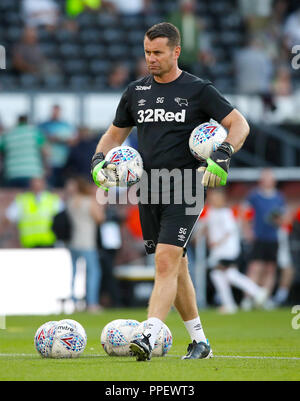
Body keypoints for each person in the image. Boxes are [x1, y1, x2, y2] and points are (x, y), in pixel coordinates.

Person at [91, 22, 249, 361]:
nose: (150, 59)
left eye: (158, 53)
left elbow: (240, 124)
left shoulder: (198, 89)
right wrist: (98, 160)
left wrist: (222, 156)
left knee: (165, 261)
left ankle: (148, 335)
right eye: (147, 52)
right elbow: (113, 135)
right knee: (176, 266)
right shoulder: (135, 92)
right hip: (148, 188)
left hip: (186, 186)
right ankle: (200, 343)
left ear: (176, 52)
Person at [203, 189, 268, 314]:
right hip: (217, 251)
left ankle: (254, 293)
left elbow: (229, 231)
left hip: (227, 250)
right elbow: (207, 227)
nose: (213, 200)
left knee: (220, 273)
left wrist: (217, 242)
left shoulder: (226, 212)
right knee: (223, 275)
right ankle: (240, 300)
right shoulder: (211, 212)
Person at [242, 169, 286, 310]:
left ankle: (264, 298)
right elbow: (245, 214)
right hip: (258, 237)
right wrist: (248, 231)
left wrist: (277, 219)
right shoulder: (254, 196)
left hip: (272, 237)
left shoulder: (279, 197)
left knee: (270, 269)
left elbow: (282, 218)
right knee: (255, 268)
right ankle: (248, 298)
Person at [66, 176, 104, 312]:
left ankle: (74, 301)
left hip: (73, 241)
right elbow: (100, 218)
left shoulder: (70, 202)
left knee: (75, 273)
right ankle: (92, 303)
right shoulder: (89, 201)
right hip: (87, 242)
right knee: (93, 273)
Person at [4, 177, 63, 248]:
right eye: (34, 184)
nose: (36, 186)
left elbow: (63, 220)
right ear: (30, 185)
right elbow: (9, 217)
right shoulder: (22, 200)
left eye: (39, 184)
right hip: (28, 244)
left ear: (44, 185)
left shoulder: (53, 199)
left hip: (49, 242)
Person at [0, 115, 46, 188]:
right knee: (29, 198)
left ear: (17, 122)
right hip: (32, 173)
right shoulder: (34, 133)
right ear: (27, 122)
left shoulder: (8, 134)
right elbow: (45, 151)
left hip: (12, 173)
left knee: (14, 198)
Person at [39, 104, 77, 188]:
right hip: (49, 162)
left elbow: (73, 141)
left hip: (64, 161)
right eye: (54, 111)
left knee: (61, 186)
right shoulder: (44, 125)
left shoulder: (67, 126)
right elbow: (41, 141)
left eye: (57, 111)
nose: (55, 113)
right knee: (50, 186)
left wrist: (58, 139)